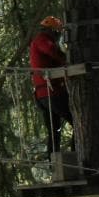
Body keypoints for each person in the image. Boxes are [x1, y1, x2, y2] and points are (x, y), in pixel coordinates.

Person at [29, 15, 73, 158]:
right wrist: (67, 58)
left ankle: (52, 160)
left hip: (44, 94)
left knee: (55, 130)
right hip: (53, 93)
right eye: (57, 32)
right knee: (78, 122)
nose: (58, 35)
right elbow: (52, 51)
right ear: (52, 30)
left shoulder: (41, 40)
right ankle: (77, 155)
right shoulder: (42, 40)